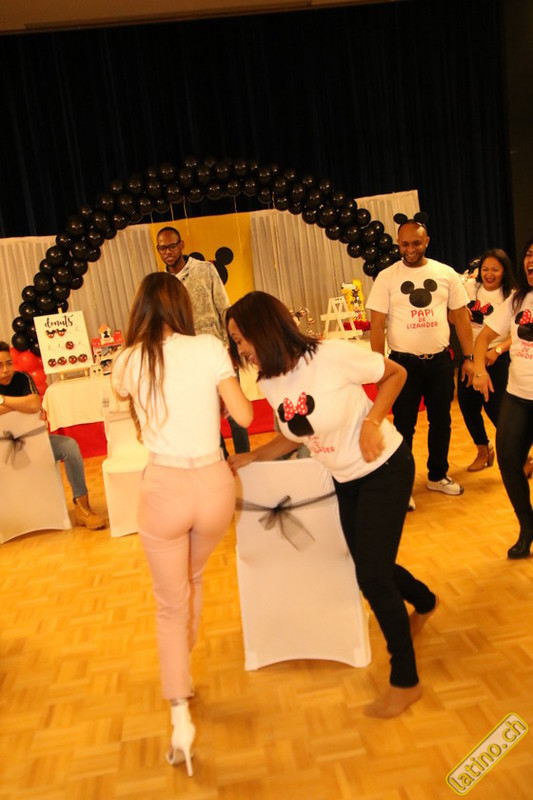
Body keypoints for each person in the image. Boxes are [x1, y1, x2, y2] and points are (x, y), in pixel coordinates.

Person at [226, 291, 437, 719]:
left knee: (371, 576)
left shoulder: (331, 356)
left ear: (263, 329)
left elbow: (395, 374)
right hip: (345, 480)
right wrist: (254, 456)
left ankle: (406, 680)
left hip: (385, 468)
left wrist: (373, 421)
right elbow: (296, 435)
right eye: (235, 342)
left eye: (241, 338)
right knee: (369, 564)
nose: (240, 349)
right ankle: (425, 600)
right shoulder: (269, 381)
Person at [111, 273, 253, 774]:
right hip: (214, 486)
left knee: (169, 604)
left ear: (140, 310)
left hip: (165, 488)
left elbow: (125, 398)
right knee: (192, 579)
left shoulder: (128, 359)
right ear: (182, 306)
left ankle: (180, 716)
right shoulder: (210, 347)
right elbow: (243, 414)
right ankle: (184, 672)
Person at [367, 214, 475, 501]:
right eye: (405, 244)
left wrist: (469, 357)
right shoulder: (387, 277)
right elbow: (377, 326)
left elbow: (461, 318)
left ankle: (437, 475)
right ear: (398, 244)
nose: (410, 249)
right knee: (404, 425)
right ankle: (402, 485)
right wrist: (379, 368)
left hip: (440, 362)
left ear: (427, 241)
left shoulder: (446, 273)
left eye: (416, 243)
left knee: (441, 421)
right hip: (402, 365)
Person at [156, 226, 250, 456]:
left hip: (219, 352)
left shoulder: (205, 270)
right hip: (188, 361)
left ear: (181, 245)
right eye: (162, 248)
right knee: (205, 416)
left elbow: (224, 309)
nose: (167, 252)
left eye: (171, 246)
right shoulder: (162, 283)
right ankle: (220, 460)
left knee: (235, 413)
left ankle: (245, 461)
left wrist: (232, 349)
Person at [0, 341, 106, 530]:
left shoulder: (22, 378)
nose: (6, 370)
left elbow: (34, 404)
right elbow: (29, 406)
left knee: (69, 447)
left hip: (35, 442)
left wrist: (3, 400)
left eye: (9, 363)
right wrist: (21, 406)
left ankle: (82, 506)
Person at [473, 235, 533, 559]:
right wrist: (479, 370)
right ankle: (527, 527)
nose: (531, 260)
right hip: (518, 395)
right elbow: (482, 338)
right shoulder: (516, 300)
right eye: (529, 254)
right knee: (509, 462)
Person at [458, 249, 514, 471]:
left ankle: (518, 455)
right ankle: (483, 450)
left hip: (495, 357)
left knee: (496, 408)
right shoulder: (470, 287)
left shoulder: (512, 295)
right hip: (469, 357)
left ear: (504, 271)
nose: (489, 274)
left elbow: (518, 332)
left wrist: (497, 351)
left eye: (495, 270)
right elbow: (453, 289)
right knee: (467, 405)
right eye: (485, 269)